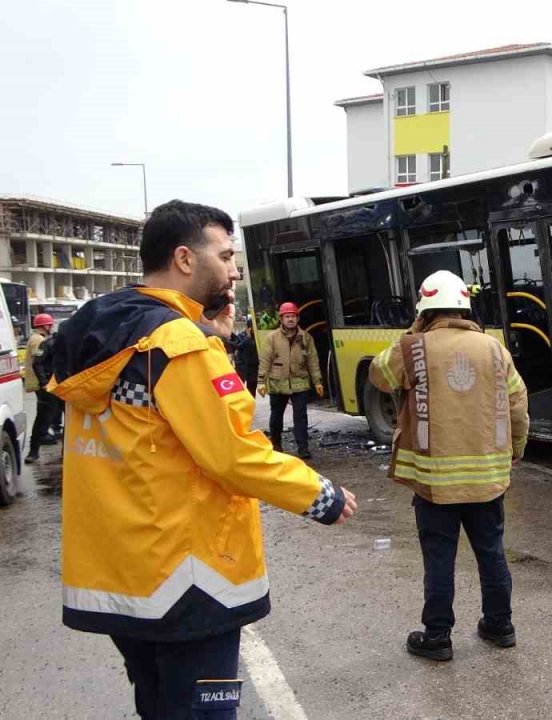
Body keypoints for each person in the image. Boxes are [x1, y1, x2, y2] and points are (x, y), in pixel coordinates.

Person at [48, 200, 357, 720]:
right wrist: (318, 495)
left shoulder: (105, 330)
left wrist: (211, 336)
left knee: (159, 707)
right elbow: (231, 453)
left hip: (124, 574)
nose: (235, 269)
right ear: (186, 259)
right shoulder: (177, 344)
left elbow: (153, 432)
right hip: (187, 581)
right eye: (227, 254)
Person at [369, 270, 529, 662]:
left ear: (424, 310)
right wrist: (516, 450)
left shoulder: (414, 347)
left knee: (439, 557)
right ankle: (500, 626)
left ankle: (437, 637)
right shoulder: (495, 350)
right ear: (465, 306)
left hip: (435, 482)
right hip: (488, 480)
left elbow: (379, 374)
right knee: (490, 551)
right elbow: (518, 407)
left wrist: (412, 332)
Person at [257, 302, 323, 458]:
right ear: (281, 319)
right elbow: (265, 360)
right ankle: (277, 445)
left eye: (293, 316)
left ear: (297, 318)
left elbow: (312, 361)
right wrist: (261, 381)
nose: (290, 319)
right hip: (277, 382)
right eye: (287, 316)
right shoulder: (272, 338)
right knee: (276, 416)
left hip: (299, 382)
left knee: (300, 416)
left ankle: (303, 448)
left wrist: (317, 381)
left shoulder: (306, 338)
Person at [23, 313, 60, 463]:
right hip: (45, 384)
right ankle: (34, 449)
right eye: (49, 325)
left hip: (53, 384)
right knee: (44, 416)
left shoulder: (39, 339)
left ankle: (49, 434)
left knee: (49, 415)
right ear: (45, 326)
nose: (51, 327)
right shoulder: (40, 340)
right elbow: (38, 363)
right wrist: (44, 382)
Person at [231, 323, 260, 397]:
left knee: (247, 388)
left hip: (247, 367)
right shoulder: (256, 339)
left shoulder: (248, 340)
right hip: (252, 368)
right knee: (251, 389)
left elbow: (238, 346)